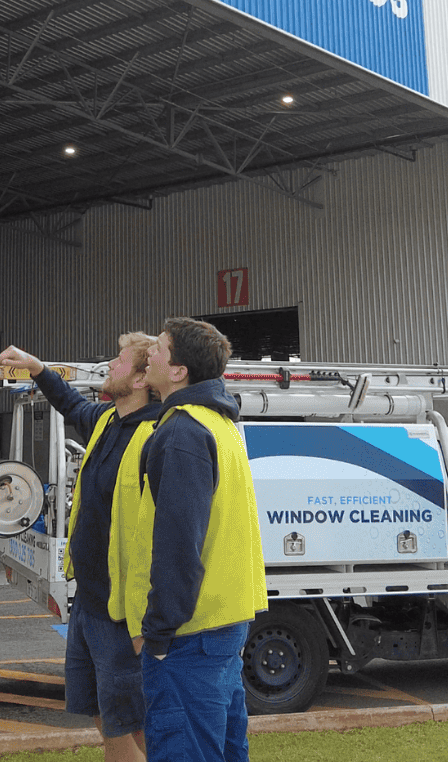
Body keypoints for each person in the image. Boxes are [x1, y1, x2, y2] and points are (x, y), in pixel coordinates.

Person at [0, 335, 162, 762]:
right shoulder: (106, 420)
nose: (110, 364)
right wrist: (36, 366)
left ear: (141, 379)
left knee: (133, 720)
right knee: (103, 713)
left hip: (122, 609)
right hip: (89, 598)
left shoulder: (156, 436)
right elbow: (69, 403)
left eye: (119, 360)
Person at [126, 317, 267, 762]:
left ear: (178, 371)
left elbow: (178, 544)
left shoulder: (181, 432)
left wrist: (157, 633)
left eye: (160, 348)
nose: (150, 353)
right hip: (222, 624)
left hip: (188, 635)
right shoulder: (220, 425)